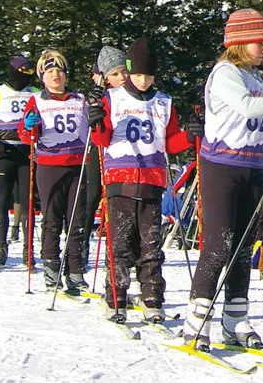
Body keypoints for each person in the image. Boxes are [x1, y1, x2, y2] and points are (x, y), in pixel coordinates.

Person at [182, 9, 263, 351]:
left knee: (244, 245)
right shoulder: (226, 74)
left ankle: (235, 318)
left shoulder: (257, 78)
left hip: (251, 165)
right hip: (222, 166)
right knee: (219, 245)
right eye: (258, 41)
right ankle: (196, 320)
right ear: (238, 42)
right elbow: (247, 107)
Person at [88, 38, 192, 323]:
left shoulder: (163, 102)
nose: (142, 81)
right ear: (130, 72)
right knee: (120, 242)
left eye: (148, 75)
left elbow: (170, 142)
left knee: (151, 244)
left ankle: (152, 297)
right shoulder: (113, 98)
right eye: (137, 75)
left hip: (152, 179)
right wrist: (95, 120)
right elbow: (102, 139)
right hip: (119, 178)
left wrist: (191, 136)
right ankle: (116, 297)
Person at [18, 49, 89, 293]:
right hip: (49, 165)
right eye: (50, 71)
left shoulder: (79, 99)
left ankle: (76, 269)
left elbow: (95, 127)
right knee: (52, 218)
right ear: (42, 76)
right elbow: (24, 134)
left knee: (77, 219)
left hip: (77, 164)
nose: (56, 75)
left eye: (60, 71)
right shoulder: (37, 100)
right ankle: (51, 265)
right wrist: (30, 127)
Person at [0, 55, 40, 267]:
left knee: (27, 201)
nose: (27, 77)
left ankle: (27, 250)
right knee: (1, 201)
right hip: (5, 153)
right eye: (24, 72)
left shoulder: (35, 94)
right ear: (13, 72)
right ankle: (1, 248)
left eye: (30, 72)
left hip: (27, 153)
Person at [81, 46, 129, 270]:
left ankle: (122, 252)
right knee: (91, 199)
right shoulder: (98, 97)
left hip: (122, 156)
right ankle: (80, 250)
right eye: (115, 74)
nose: (122, 78)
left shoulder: (134, 93)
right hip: (97, 149)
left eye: (124, 72)